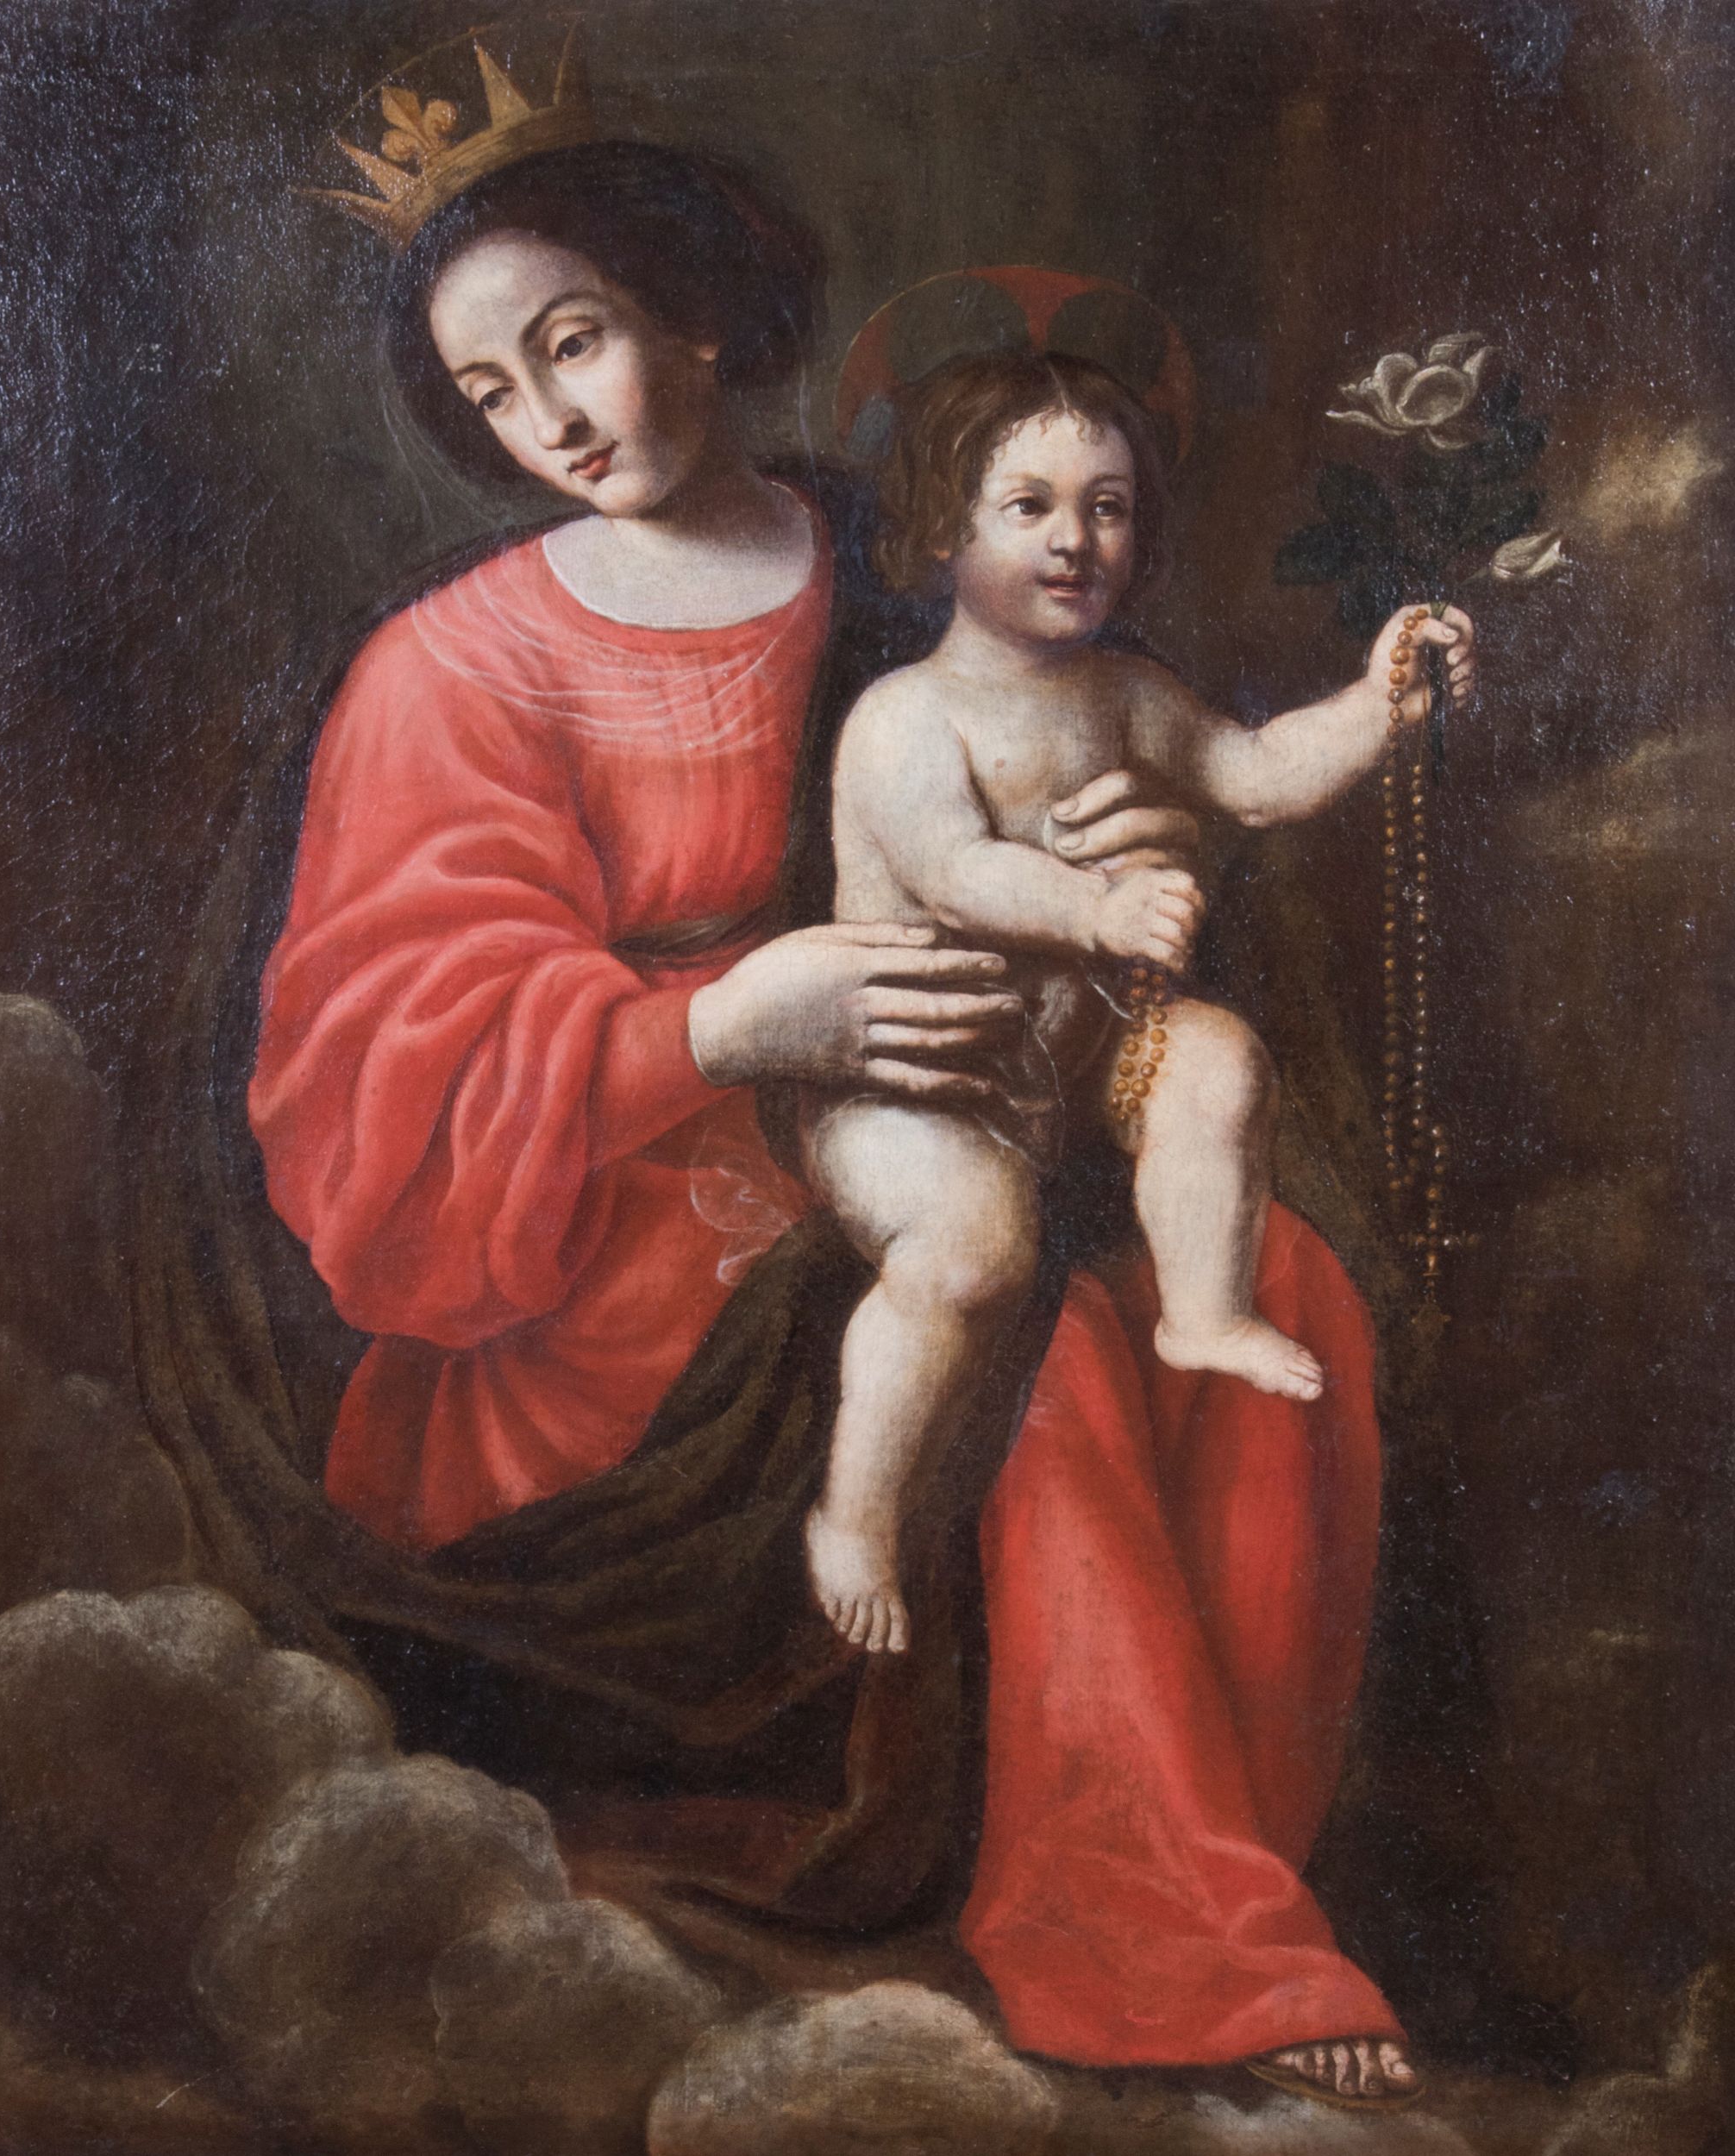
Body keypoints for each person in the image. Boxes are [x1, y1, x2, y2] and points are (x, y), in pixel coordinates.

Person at [247, 92, 1425, 2105]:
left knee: (1268, 1279)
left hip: (989, 1088)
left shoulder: (907, 556)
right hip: (615, 1230)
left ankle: (1223, 1857)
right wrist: (717, 1023)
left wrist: (1134, 852)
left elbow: (1129, 767)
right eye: (491, 388)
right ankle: (1159, 1940)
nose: (550, 415)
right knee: (1034, 1351)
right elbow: (381, 1057)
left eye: (574, 339)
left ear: (695, 314)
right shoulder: (450, 671)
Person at [801, 348, 1476, 1660]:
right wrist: (1100, 911)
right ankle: (854, 1511)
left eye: (1106, 507)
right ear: (942, 529)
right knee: (967, 1258)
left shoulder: (1127, 693)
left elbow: (1257, 773)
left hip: (1077, 1061)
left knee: (1220, 1061)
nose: (1075, 540)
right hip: (919, 1081)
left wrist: (1380, 701)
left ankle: (1202, 1311)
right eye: (1030, 506)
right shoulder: (904, 716)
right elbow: (955, 869)